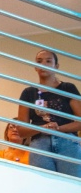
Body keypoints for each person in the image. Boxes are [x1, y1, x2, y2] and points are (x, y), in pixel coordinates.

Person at [16, 49, 81, 177]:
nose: (43, 64)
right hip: (40, 144)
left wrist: (57, 129)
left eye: (48, 61)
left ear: (56, 66)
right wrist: (42, 128)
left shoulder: (68, 88)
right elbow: (22, 130)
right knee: (44, 186)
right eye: (39, 61)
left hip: (67, 141)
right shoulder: (28, 92)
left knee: (72, 185)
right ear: (35, 67)